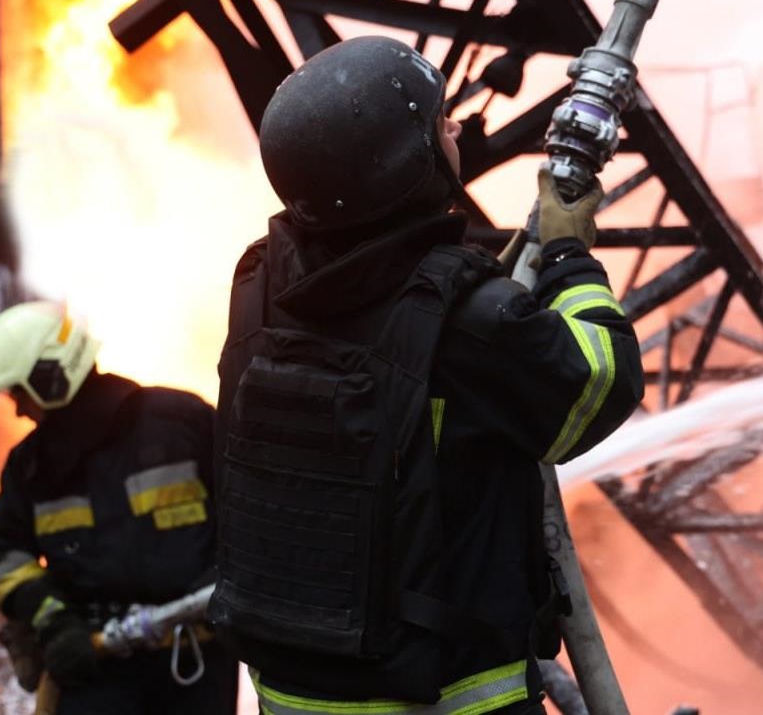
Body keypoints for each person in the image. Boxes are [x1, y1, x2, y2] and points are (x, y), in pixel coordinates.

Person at [210, 36, 643, 714]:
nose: (455, 126)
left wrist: (487, 295)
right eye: (437, 119)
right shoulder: (468, 321)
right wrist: (567, 255)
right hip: (446, 697)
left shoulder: (260, 281)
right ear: (403, 165)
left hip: (292, 695)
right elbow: (600, 385)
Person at [0, 301, 238, 714]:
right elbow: (4, 553)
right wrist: (54, 623)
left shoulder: (184, 423)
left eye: (19, 393)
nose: (20, 410)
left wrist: (226, 578)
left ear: (50, 377)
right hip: (93, 664)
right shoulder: (31, 467)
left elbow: (251, 512)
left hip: (194, 658)